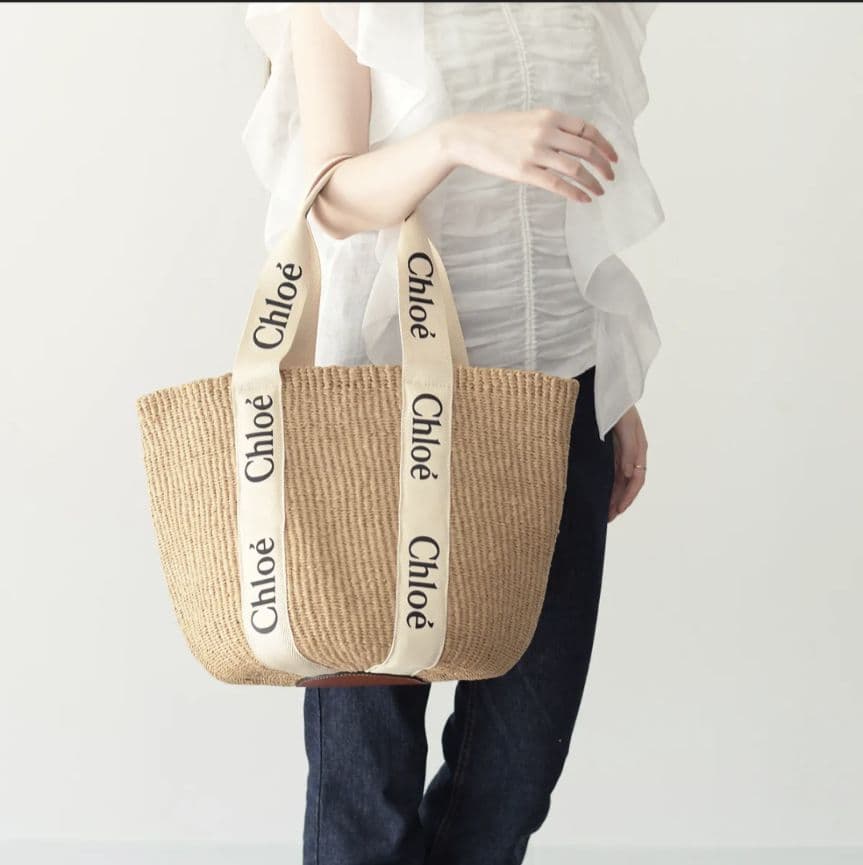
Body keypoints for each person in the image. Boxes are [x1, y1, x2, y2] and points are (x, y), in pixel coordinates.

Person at [242, 3, 661, 863]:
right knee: (368, 784)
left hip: (557, 392)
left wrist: (615, 389)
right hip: (384, 400)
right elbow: (330, 198)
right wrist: (455, 141)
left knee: (516, 768)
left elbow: (572, 205)